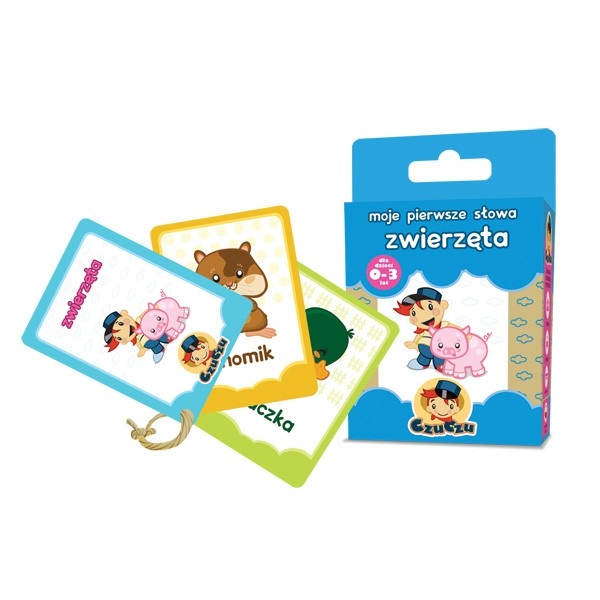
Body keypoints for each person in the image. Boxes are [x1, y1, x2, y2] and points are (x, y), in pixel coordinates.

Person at [394, 286, 451, 371]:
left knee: (439, 360)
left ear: (442, 305)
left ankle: (441, 365)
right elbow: (419, 336)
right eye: (414, 313)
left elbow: (456, 329)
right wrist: (414, 343)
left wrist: (465, 334)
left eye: (430, 307)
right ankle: (422, 363)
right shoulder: (423, 330)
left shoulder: (444, 325)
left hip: (440, 349)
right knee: (424, 355)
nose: (424, 316)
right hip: (425, 349)